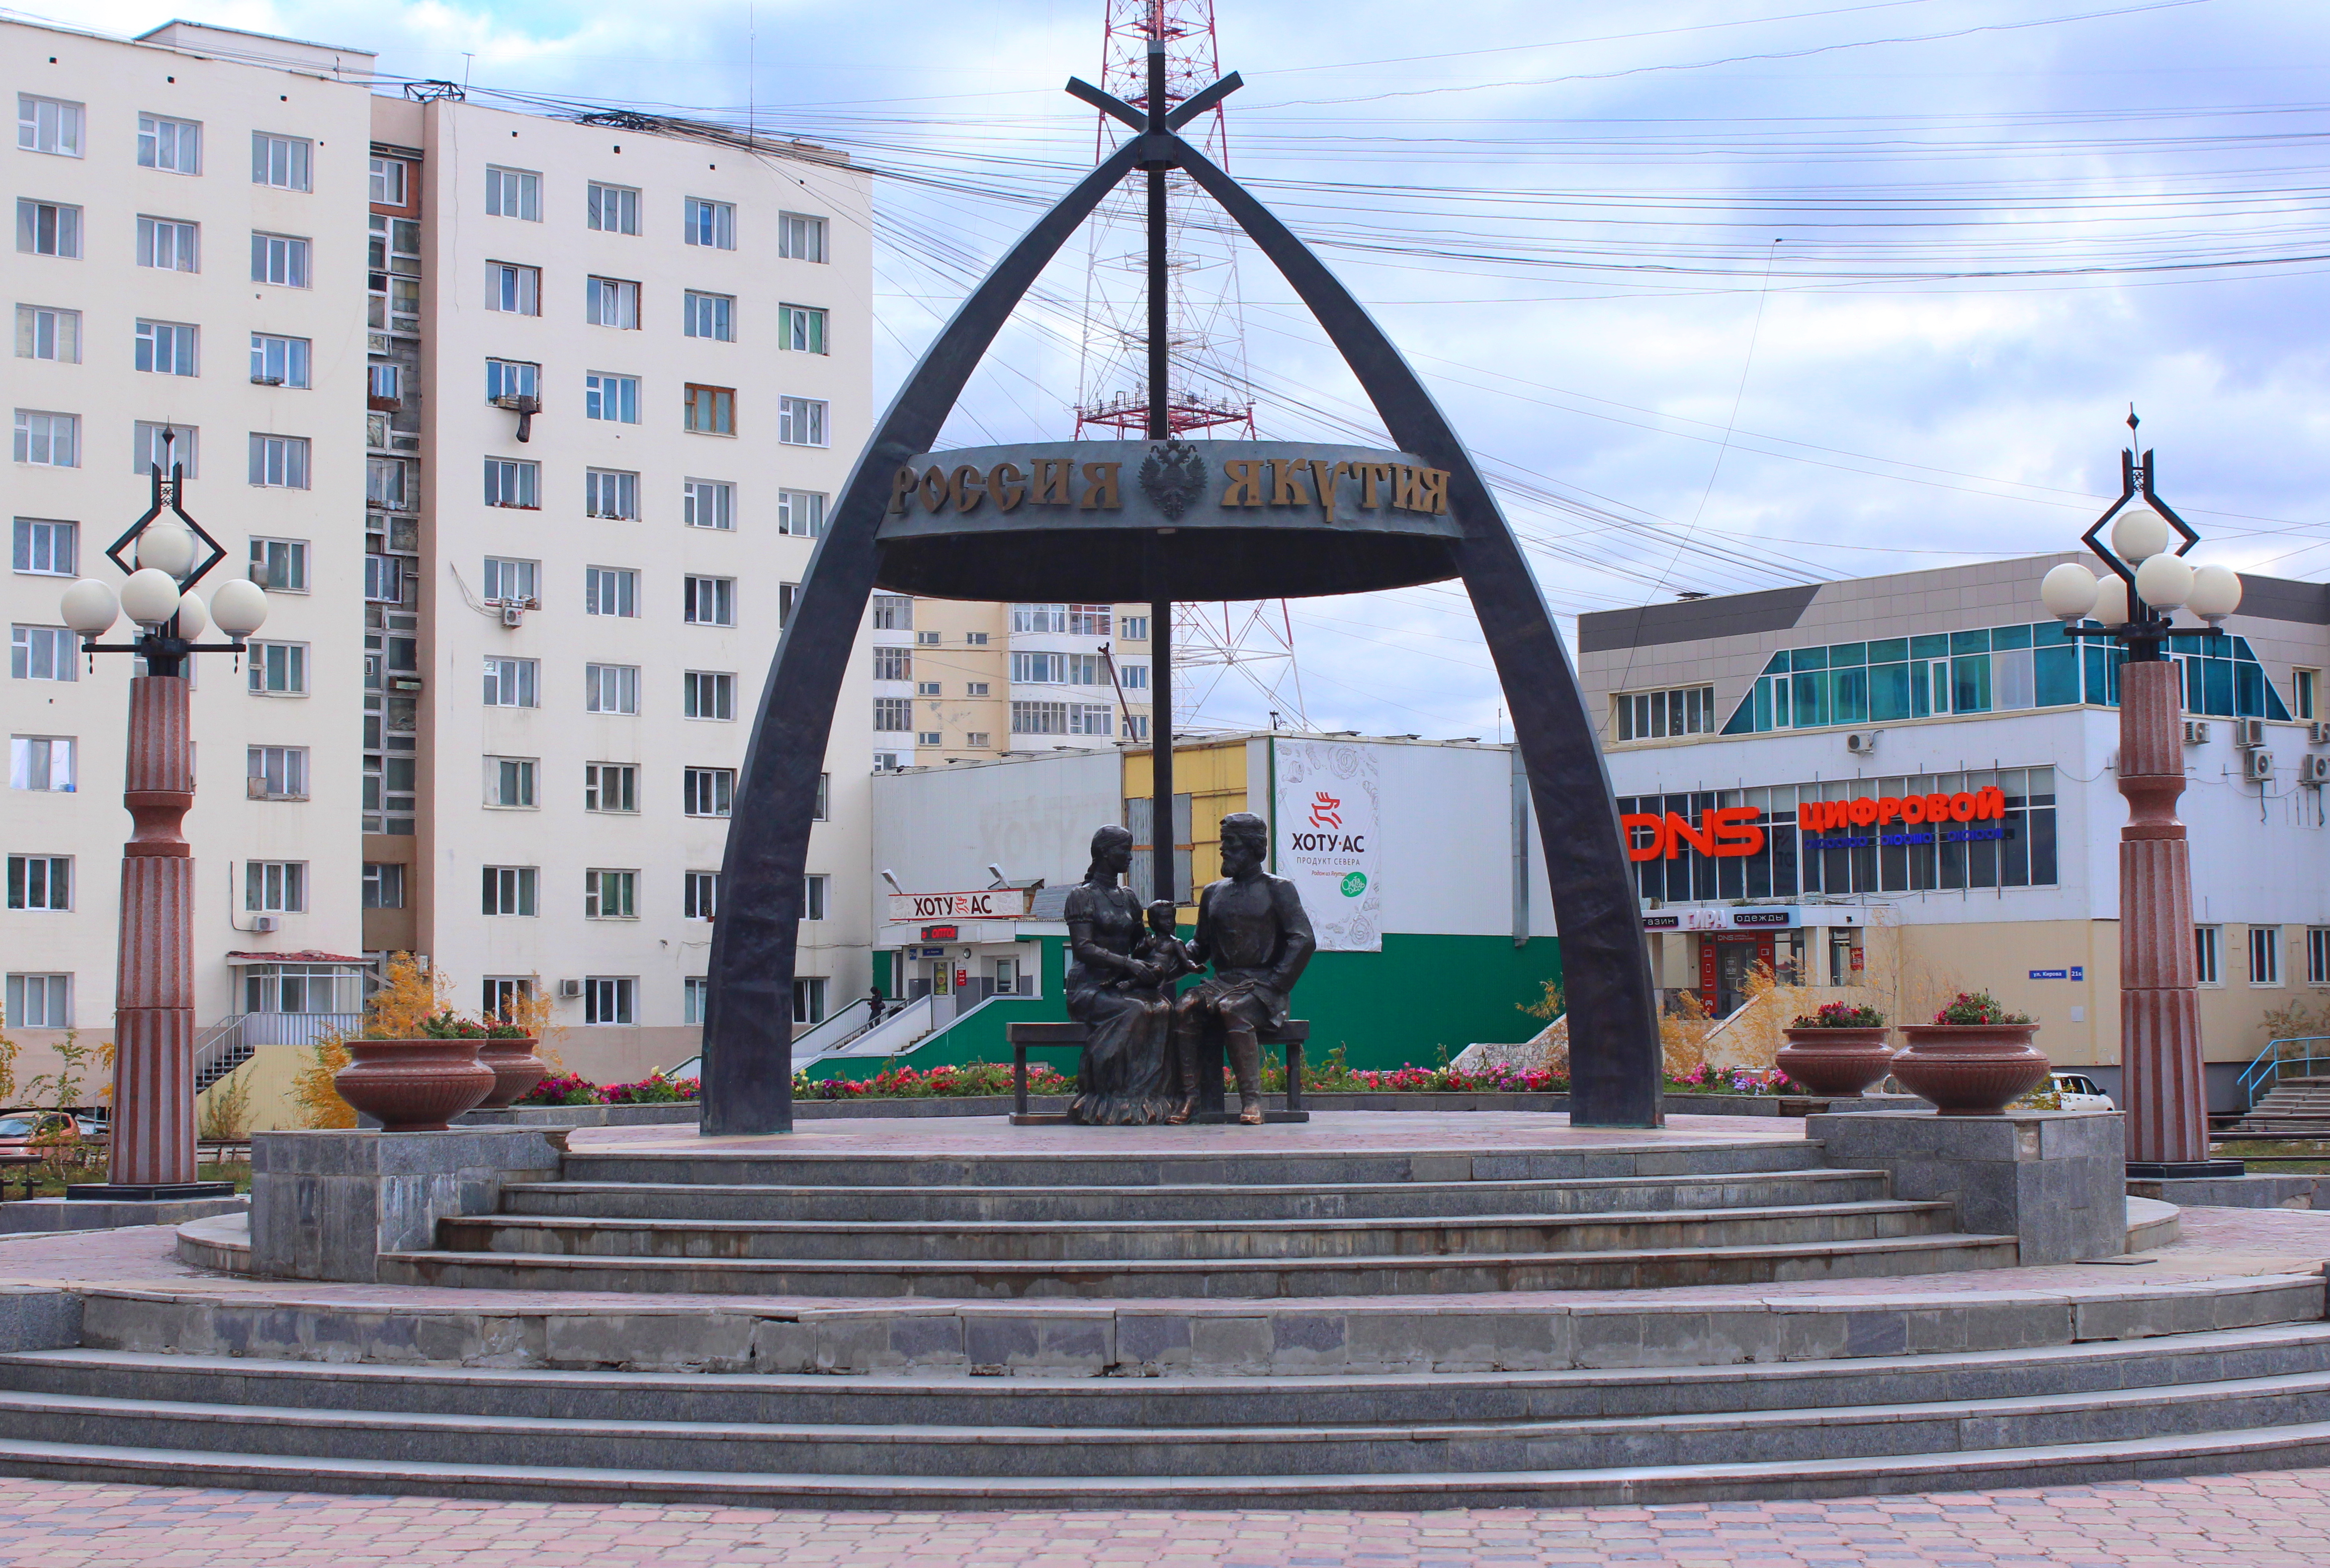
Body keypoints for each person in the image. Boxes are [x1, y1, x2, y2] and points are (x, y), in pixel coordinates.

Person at [1168, 811, 1316, 1126]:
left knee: (1233, 1009)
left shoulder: (1279, 888)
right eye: (1224, 842)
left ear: (1252, 846)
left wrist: (1278, 982)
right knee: (1183, 1008)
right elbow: (1200, 945)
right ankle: (1190, 1097)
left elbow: (1303, 940)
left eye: (1231, 843)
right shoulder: (1213, 893)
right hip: (1221, 983)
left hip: (1263, 987)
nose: (1224, 849)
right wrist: (1172, 960)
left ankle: (1252, 1101)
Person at [1062, 825, 1175, 1125]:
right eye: (1123, 850)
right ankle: (1108, 1094)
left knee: (1163, 1008)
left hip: (1125, 985)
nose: (1129, 857)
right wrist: (1129, 964)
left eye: (1131, 849)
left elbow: (1139, 941)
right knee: (1135, 1010)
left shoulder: (1128, 897)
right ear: (1103, 853)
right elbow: (1083, 948)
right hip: (1090, 987)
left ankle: (1146, 1096)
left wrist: (1153, 951)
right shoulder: (1081, 896)